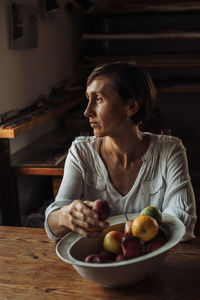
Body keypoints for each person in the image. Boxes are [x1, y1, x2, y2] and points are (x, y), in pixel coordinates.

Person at [45, 61, 197, 241]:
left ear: (131, 106)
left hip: (152, 261)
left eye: (99, 99)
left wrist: (122, 239)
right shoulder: (81, 152)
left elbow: (183, 223)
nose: (87, 112)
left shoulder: (169, 150)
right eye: (88, 99)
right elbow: (53, 227)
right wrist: (65, 216)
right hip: (97, 263)